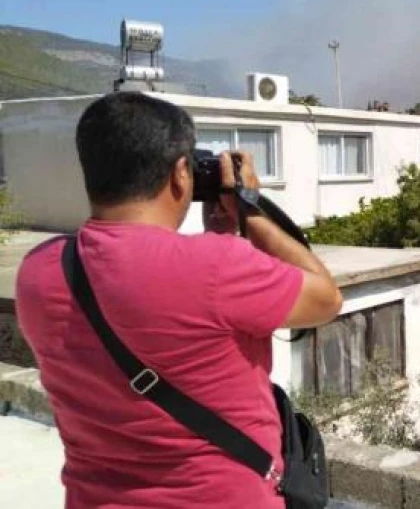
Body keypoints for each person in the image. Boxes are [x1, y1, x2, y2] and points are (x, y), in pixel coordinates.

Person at [16, 92, 343, 508]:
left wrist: (222, 238)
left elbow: (147, 296)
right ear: (181, 174)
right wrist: (252, 212)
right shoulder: (217, 266)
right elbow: (326, 299)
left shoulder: (39, 270)